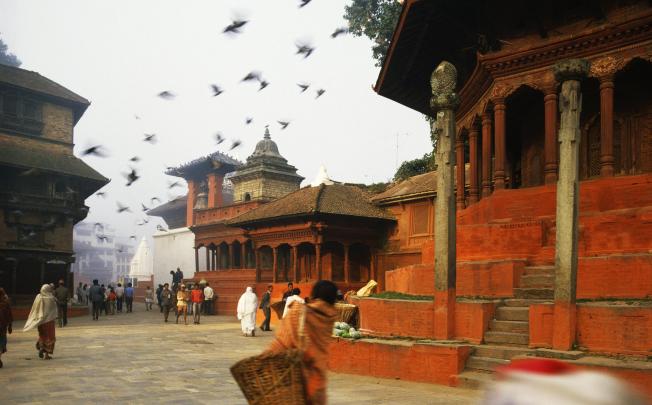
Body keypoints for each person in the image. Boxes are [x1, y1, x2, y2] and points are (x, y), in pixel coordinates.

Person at [266, 280, 338, 405]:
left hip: (297, 380)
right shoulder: (330, 317)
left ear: (314, 294)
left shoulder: (299, 311)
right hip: (317, 382)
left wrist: (266, 358)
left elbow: (283, 341)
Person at [23, 284, 59, 360]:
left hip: (41, 321)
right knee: (50, 337)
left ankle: (41, 348)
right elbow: (54, 308)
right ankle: (46, 355)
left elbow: (35, 308)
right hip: (49, 321)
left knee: (42, 335)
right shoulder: (51, 298)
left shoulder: (38, 297)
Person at [0, 288, 13, 368]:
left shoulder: (6, 303)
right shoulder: (6, 303)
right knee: (2, 343)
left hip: (2, 327)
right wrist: (10, 327)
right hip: (2, 328)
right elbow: (9, 316)